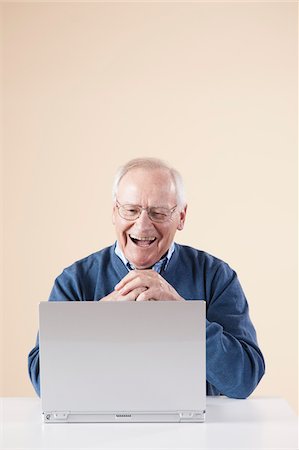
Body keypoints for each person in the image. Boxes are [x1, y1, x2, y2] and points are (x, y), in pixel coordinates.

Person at [28, 157, 265, 398]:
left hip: (194, 431)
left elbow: (243, 379)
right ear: (114, 212)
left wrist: (183, 316)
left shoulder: (215, 277)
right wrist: (96, 320)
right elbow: (45, 383)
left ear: (181, 217)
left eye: (158, 213)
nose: (142, 226)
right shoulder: (74, 281)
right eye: (130, 210)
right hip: (99, 429)